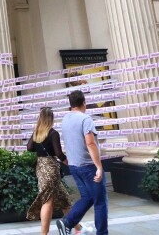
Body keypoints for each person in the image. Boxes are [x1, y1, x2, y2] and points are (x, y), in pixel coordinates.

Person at [56, 90, 108, 235]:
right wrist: (98, 166)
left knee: (88, 197)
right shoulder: (85, 119)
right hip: (88, 166)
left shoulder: (65, 119)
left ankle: (67, 222)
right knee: (100, 202)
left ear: (71, 104)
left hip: (74, 166)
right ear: (83, 103)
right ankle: (102, 233)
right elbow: (90, 143)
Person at [25, 107, 83, 235]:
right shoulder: (53, 133)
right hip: (51, 168)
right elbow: (59, 153)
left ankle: (78, 228)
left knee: (64, 199)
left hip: (40, 167)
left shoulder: (37, 133)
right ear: (50, 119)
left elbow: (29, 148)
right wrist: (69, 163)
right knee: (48, 200)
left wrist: (39, 144)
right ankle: (44, 234)